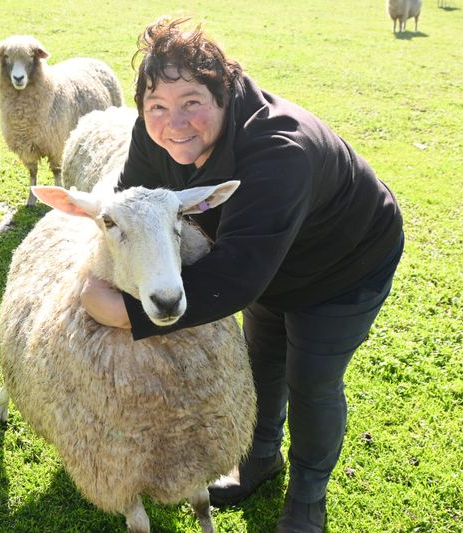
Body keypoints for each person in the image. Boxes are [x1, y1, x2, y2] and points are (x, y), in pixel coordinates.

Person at [80, 17, 403, 533]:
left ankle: (307, 499)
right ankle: (260, 461)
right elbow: (129, 207)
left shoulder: (280, 150)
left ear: (224, 93)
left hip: (343, 264)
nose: (173, 123)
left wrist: (128, 313)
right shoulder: (153, 132)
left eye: (191, 102)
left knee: (312, 379)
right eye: (157, 106)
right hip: (260, 257)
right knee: (262, 362)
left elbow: (236, 277)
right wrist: (102, 267)